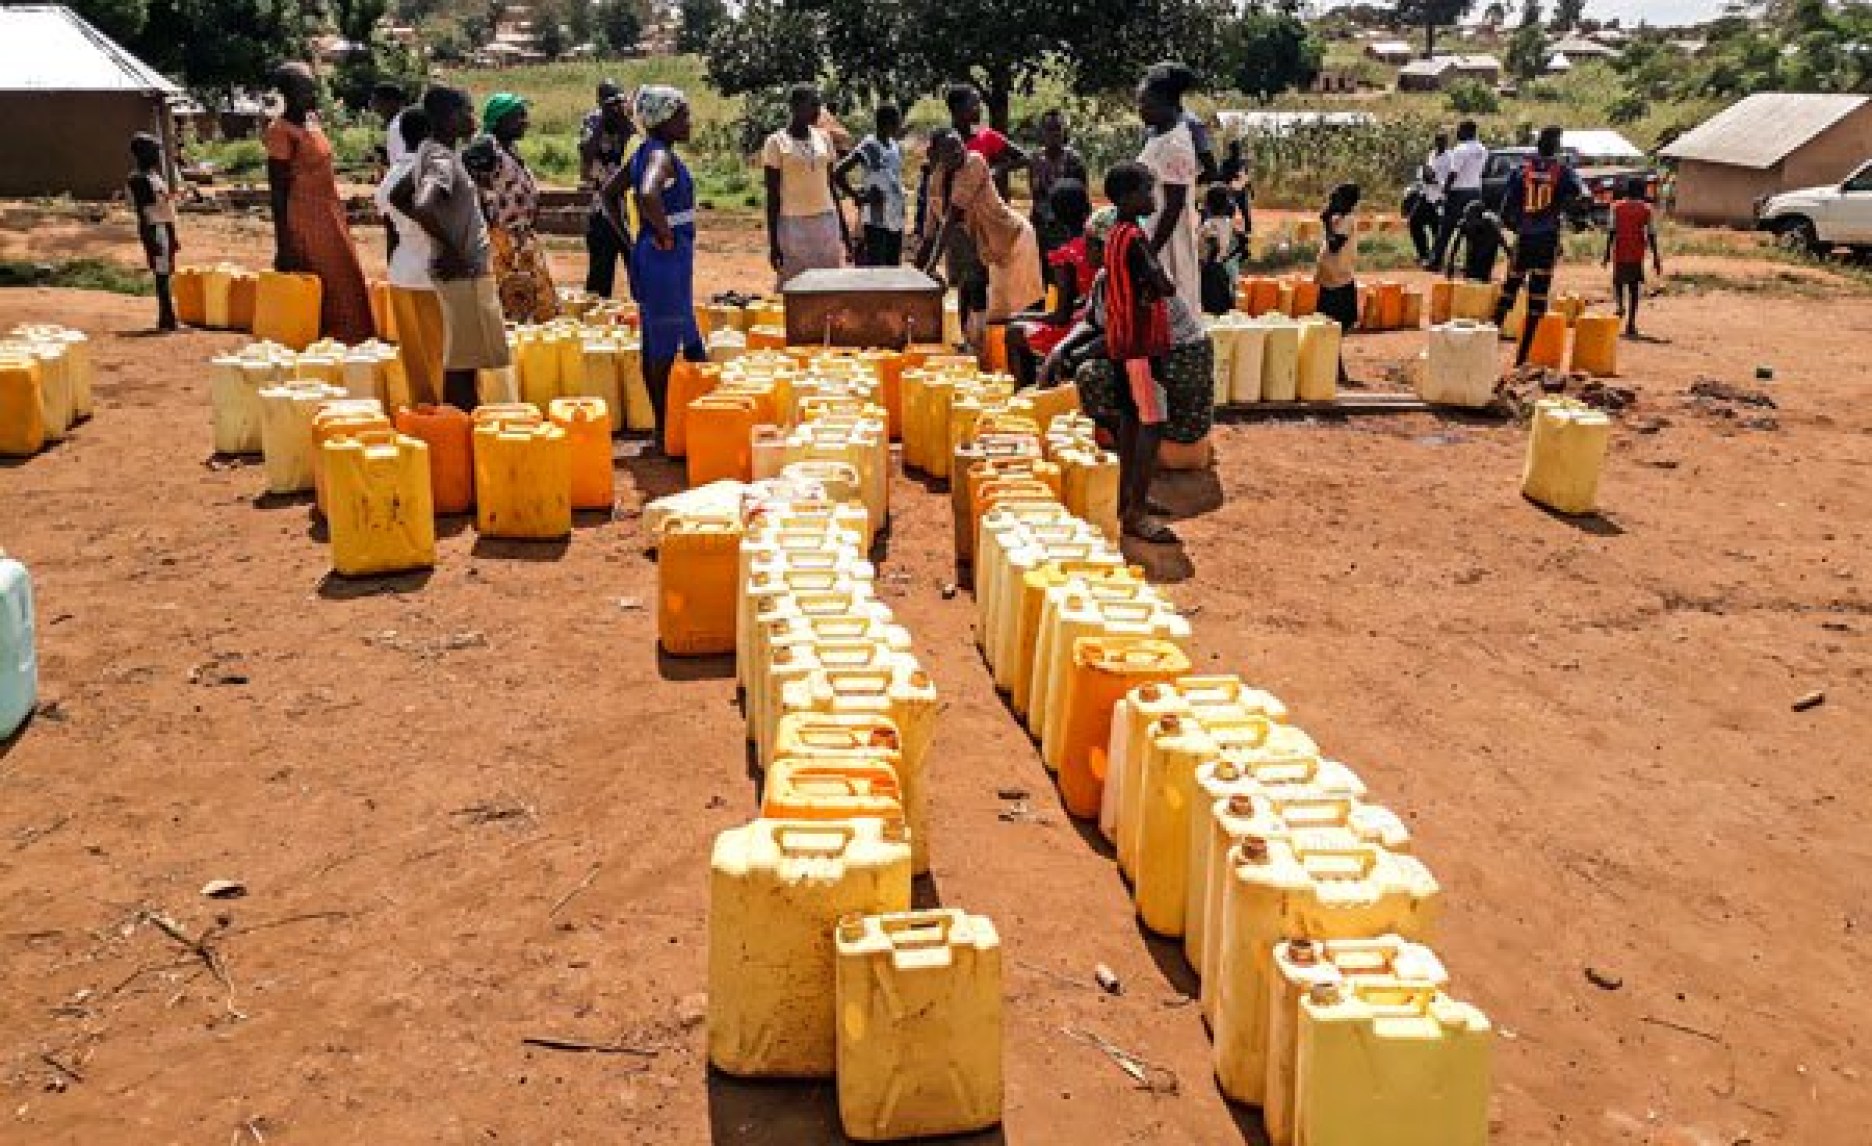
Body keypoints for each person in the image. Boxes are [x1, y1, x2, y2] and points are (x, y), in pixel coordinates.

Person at [1051, 164, 1213, 544]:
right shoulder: (1134, 239)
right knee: (1150, 423)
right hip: (1142, 349)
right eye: (1148, 190)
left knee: (1130, 421)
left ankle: (1128, 498)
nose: (1154, 197)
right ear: (1128, 198)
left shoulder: (1115, 243)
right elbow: (1163, 283)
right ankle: (1136, 513)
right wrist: (1153, 286)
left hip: (1128, 348)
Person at [389, 86, 508, 412]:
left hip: (457, 270)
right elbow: (425, 206)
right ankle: (462, 427)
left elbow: (400, 196)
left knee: (460, 358)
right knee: (464, 365)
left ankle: (457, 426)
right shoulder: (441, 157)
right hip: (462, 272)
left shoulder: (431, 153)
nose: (474, 118)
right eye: (468, 111)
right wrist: (451, 247)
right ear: (450, 117)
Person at [613, 86, 705, 453]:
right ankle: (668, 431)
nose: (688, 122)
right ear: (664, 120)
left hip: (654, 252)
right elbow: (646, 194)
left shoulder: (643, 153)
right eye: (682, 115)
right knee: (665, 342)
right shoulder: (660, 157)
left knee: (661, 338)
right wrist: (663, 232)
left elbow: (609, 192)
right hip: (666, 253)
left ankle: (666, 427)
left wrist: (631, 238)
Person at [264, 62, 375, 344]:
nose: (310, 92)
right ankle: (323, 349)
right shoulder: (281, 131)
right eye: (303, 87)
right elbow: (277, 191)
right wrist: (283, 244)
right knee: (324, 284)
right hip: (304, 217)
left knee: (347, 281)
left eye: (312, 86)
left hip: (329, 213)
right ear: (288, 92)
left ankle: (349, 350)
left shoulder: (313, 124)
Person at [917, 129, 1044, 346]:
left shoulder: (974, 163)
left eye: (959, 146)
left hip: (1010, 239)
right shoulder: (935, 180)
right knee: (974, 288)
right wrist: (918, 273)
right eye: (949, 150)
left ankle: (1025, 353)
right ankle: (974, 345)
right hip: (983, 244)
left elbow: (951, 219)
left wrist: (930, 265)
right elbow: (931, 231)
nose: (959, 152)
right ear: (937, 154)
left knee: (1014, 307)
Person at [1494, 125, 1586, 367]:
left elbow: (1504, 211)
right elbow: (1583, 194)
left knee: (1509, 291)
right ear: (1556, 146)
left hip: (1525, 238)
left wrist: (1520, 228)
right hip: (1546, 240)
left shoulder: (1522, 170)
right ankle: (1522, 359)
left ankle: (1487, 345)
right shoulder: (1563, 171)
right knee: (1537, 301)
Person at [464, 93, 558, 324]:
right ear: (500, 120)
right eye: (518, 117)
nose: (525, 121)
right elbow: (467, 182)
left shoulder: (508, 149)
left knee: (536, 300)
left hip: (521, 238)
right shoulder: (485, 148)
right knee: (513, 300)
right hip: (504, 239)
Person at [375, 108, 444, 407]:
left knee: (414, 356)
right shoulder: (429, 172)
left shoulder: (390, 176)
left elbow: (391, 233)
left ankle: (423, 417)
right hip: (433, 272)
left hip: (402, 270)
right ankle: (447, 422)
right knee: (441, 355)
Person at [1006, 179, 1095, 387]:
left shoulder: (1065, 256)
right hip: (1096, 316)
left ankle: (1025, 390)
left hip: (1081, 327)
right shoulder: (1103, 243)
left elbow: (1060, 316)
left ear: (1055, 216)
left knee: (1014, 331)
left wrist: (1020, 315)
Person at [1136, 62, 1203, 321]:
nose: (1140, 110)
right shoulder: (1157, 135)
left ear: (1166, 103)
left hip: (1167, 239)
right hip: (1151, 229)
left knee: (1170, 310)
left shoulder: (1176, 144)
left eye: (1145, 104)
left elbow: (1173, 208)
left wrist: (1151, 253)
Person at [763, 84, 848, 287]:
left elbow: (830, 185)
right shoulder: (776, 143)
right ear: (795, 107)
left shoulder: (824, 138)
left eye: (818, 104)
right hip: (793, 224)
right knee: (797, 287)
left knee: (829, 285)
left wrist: (843, 231)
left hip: (826, 222)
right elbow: (772, 196)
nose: (818, 110)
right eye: (813, 104)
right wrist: (774, 243)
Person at [579, 81, 635, 298]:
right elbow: (586, 153)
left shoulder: (627, 122)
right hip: (601, 208)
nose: (615, 108)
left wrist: (623, 123)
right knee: (600, 274)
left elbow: (637, 147)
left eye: (618, 101)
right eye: (609, 103)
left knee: (637, 268)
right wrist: (603, 121)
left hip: (630, 208)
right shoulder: (592, 122)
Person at [833, 103, 906, 267]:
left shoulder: (894, 145)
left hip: (895, 216)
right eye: (897, 122)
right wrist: (858, 196)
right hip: (875, 217)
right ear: (887, 123)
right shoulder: (869, 146)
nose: (900, 126)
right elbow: (838, 172)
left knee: (893, 265)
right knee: (877, 266)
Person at [127, 133, 179, 332]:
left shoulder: (153, 176)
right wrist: (150, 239)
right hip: (155, 229)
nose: (158, 155)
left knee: (166, 272)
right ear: (143, 154)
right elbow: (144, 212)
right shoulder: (139, 179)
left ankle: (167, 316)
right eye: (154, 151)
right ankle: (166, 317)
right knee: (162, 274)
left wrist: (173, 235)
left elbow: (163, 206)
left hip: (164, 227)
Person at [1314, 183, 1362, 385]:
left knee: (1339, 324)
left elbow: (1334, 246)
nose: (1331, 204)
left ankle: (1336, 366)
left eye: (1335, 200)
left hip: (1339, 280)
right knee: (1332, 325)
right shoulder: (1340, 219)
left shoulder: (1347, 220)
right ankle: (1335, 367)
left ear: (1347, 203)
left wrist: (1326, 223)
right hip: (1332, 279)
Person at [1605, 176, 1663, 339]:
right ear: (1641, 191)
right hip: (1636, 251)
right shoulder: (1646, 209)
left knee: (1618, 281)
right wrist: (1656, 257)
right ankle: (1630, 323)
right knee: (1634, 287)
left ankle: (1620, 305)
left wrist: (1606, 253)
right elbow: (1651, 234)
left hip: (1620, 249)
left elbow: (1611, 231)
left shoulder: (1616, 207)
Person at [1028, 109, 1089, 257]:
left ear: (1063, 131)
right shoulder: (1035, 159)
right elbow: (1035, 195)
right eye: (1049, 129)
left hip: (1068, 228)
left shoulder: (1073, 160)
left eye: (1057, 129)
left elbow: (1081, 197)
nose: (1054, 134)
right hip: (1042, 227)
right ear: (1042, 132)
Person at [1432, 119, 1487, 267]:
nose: (1457, 133)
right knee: (1473, 229)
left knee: (1446, 228)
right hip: (1475, 191)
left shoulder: (1460, 149)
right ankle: (1471, 264)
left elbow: (1453, 173)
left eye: (1459, 130)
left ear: (1466, 131)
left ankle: (1435, 261)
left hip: (1458, 193)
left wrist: (1445, 191)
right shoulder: (1482, 149)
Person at [371, 82, 410, 260]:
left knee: (396, 238)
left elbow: (404, 160)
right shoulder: (399, 123)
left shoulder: (397, 126)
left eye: (377, 101)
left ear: (391, 102)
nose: (374, 106)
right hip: (401, 187)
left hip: (399, 189)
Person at [1198, 182, 1245, 317]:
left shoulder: (1209, 225)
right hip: (1221, 267)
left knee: (1209, 307)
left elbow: (1213, 244)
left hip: (1209, 271)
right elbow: (1242, 240)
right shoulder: (1228, 223)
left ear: (1207, 204)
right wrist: (1229, 255)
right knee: (1222, 306)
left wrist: (1208, 261)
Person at [1409, 132, 1450, 268]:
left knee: (1436, 229)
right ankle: (1423, 254)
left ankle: (1437, 258)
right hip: (1426, 195)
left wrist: (1435, 180)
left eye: (1443, 141)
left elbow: (1450, 179)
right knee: (1414, 222)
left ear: (1447, 142)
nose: (1440, 144)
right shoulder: (1432, 154)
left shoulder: (1450, 158)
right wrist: (1423, 176)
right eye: (1438, 141)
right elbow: (1425, 171)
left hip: (1439, 197)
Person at [1444, 199, 1510, 284]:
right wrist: (1450, 263)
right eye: (1467, 216)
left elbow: (1500, 240)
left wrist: (1509, 253)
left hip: (1488, 248)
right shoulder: (1464, 224)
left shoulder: (1489, 224)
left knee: (1481, 273)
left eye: (1471, 216)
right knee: (1470, 271)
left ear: (1480, 216)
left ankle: (1483, 277)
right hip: (1473, 247)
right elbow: (1456, 244)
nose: (1468, 219)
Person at [1217, 137, 1254, 236]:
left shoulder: (1243, 162)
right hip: (1230, 190)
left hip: (1242, 191)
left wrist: (1251, 189)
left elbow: (1246, 177)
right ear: (1231, 150)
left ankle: (1248, 232)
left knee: (1245, 211)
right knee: (1228, 212)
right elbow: (1221, 177)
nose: (1237, 151)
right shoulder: (1226, 163)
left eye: (1238, 149)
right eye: (1235, 149)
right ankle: (1227, 231)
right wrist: (1231, 177)